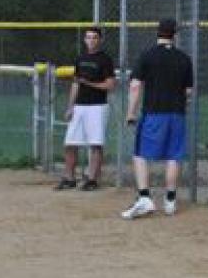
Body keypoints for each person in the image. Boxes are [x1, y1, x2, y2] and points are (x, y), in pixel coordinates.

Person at [121, 19, 194, 219]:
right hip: (177, 114)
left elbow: (135, 86)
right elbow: (188, 91)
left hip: (154, 113)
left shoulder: (147, 55)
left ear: (158, 33)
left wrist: (131, 113)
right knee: (174, 156)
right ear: (175, 34)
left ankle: (144, 197)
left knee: (140, 154)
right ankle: (170, 200)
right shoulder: (184, 59)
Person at [56, 27, 117, 191]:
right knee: (70, 143)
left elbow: (110, 84)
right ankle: (69, 178)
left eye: (94, 37)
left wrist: (89, 83)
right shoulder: (80, 58)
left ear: (100, 40)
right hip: (80, 106)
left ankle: (92, 179)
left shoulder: (105, 60)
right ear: (84, 40)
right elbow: (76, 84)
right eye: (88, 37)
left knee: (95, 144)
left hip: (97, 106)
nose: (91, 40)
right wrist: (70, 107)